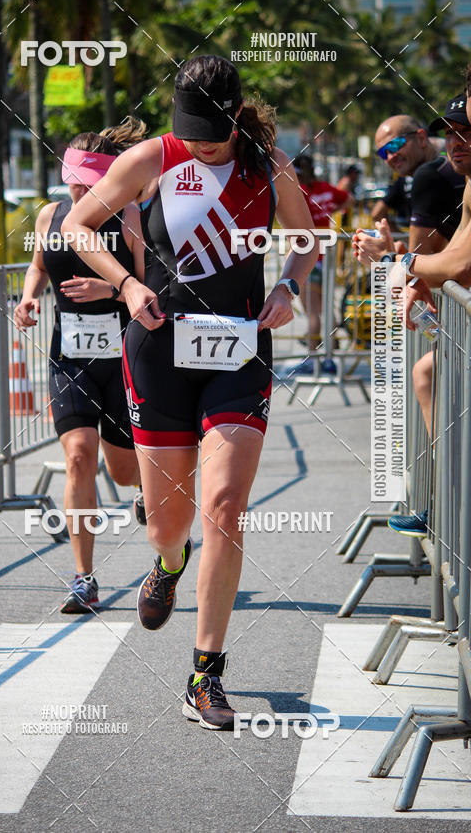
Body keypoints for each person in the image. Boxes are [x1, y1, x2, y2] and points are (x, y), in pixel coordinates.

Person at [61, 55, 318, 730]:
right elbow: (76, 225)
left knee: (226, 506)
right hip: (158, 350)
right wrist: (125, 283)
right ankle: (168, 563)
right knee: (168, 525)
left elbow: (306, 239)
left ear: (236, 117)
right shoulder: (153, 158)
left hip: (239, 351)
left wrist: (289, 285)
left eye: (212, 131)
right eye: (190, 130)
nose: (200, 144)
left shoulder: (268, 163)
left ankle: (205, 675)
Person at [13, 119, 146, 613]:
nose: (76, 185)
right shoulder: (51, 215)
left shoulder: (128, 213)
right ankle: (84, 577)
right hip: (70, 355)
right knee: (78, 455)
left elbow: (149, 280)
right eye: (71, 175)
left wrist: (109, 289)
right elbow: (38, 266)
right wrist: (28, 298)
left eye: (85, 178)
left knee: (125, 470)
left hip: (123, 357)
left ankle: (144, 496)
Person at [353, 85, 471, 536]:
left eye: (468, 131)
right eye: (452, 134)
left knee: (428, 374)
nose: (457, 144)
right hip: (460, 316)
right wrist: (403, 262)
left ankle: (454, 508)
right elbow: (450, 260)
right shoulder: (469, 182)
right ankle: (449, 503)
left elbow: (458, 264)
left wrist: (399, 262)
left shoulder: (444, 179)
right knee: (426, 373)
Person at [288, 153, 351, 374]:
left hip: (307, 254)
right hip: (328, 254)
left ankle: (313, 359)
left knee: (313, 311)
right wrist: (330, 213)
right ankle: (330, 356)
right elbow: (348, 199)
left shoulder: (299, 193)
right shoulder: (324, 187)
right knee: (326, 308)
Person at [371, 114, 465, 252]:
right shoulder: (446, 167)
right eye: (383, 153)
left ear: (421, 138)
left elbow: (416, 261)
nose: (391, 156)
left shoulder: (429, 174)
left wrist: (385, 257)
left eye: (395, 145)